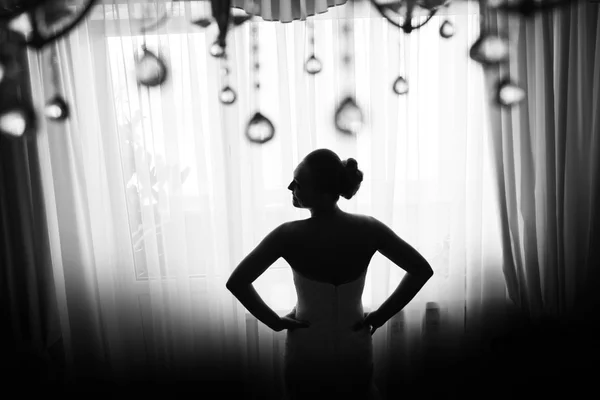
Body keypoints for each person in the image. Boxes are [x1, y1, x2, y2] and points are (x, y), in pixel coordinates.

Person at [226, 148, 434, 400]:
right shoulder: (369, 228)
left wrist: (275, 321)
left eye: (298, 183)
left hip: (306, 349)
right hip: (354, 345)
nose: (290, 187)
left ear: (322, 191)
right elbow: (421, 270)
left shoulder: (287, 235)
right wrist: (381, 316)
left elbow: (237, 282)